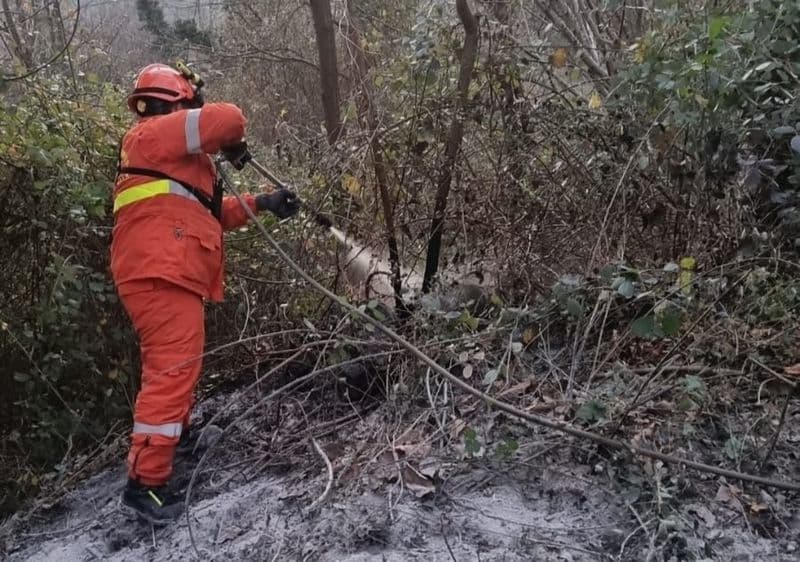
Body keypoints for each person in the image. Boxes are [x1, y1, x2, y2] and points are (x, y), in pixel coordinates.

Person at [110, 63, 299, 524]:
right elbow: (229, 118)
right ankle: (146, 484)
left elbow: (212, 214)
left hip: (169, 269)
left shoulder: (179, 161)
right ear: (178, 100)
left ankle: (177, 437)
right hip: (159, 270)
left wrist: (264, 204)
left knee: (180, 362)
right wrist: (228, 140)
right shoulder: (153, 134)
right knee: (171, 368)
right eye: (190, 104)